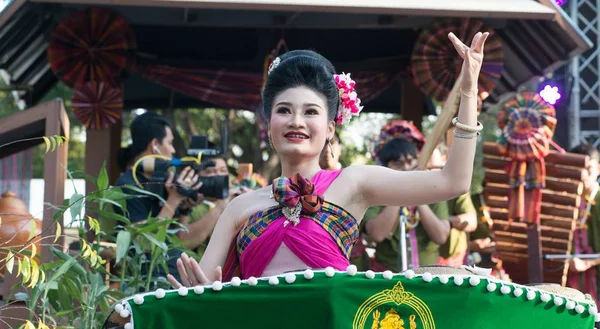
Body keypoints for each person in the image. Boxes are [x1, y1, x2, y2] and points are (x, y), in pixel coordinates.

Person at [169, 31, 489, 288]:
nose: (296, 121)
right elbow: (208, 292)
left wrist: (469, 92)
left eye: (310, 112)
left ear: (330, 128)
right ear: (269, 126)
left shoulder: (354, 183)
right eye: (284, 110)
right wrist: (199, 294)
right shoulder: (240, 207)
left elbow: (453, 182)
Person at [115, 112, 204, 280]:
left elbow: (179, 240)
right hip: (147, 282)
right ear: (155, 145)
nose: (173, 150)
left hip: (172, 277)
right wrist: (174, 200)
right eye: (170, 143)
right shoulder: (128, 184)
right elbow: (144, 242)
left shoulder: (164, 182)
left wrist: (184, 209)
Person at [362, 135, 450, 271]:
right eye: (398, 164)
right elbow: (377, 234)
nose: (406, 168)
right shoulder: (375, 193)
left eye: (410, 161)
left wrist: (416, 195)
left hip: (428, 276)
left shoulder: (433, 191)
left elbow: (440, 237)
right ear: (385, 167)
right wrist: (401, 194)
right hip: (388, 275)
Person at [565, 143, 600, 329]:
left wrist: (587, 262)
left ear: (597, 168)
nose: (580, 175)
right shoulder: (567, 202)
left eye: (586, 169)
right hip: (572, 289)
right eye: (575, 169)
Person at [429, 144, 478, 266]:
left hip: (452, 260)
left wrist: (445, 221)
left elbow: (471, 221)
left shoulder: (454, 187)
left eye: (430, 156)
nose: (427, 163)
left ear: (444, 159)